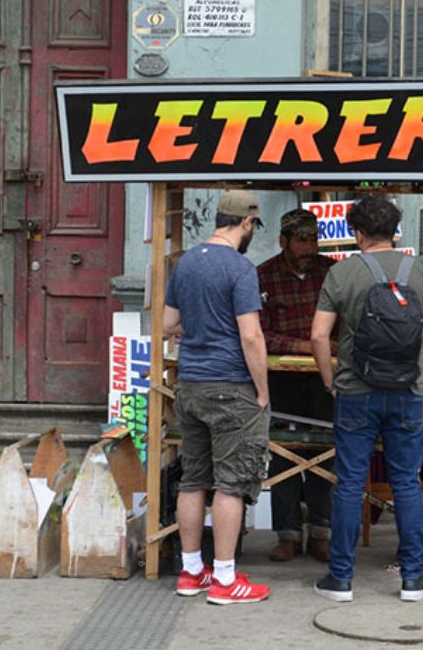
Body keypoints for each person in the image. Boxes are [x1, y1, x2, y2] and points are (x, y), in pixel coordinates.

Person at [309, 196, 423, 603]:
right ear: (395, 230)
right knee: (407, 482)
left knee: (350, 483)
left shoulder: (343, 272)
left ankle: (340, 580)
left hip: (356, 393)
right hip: (406, 393)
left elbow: (320, 335)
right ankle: (412, 580)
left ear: (357, 232)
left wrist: (329, 380)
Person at [163, 189, 271, 605]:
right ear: (246, 223)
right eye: (251, 227)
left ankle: (192, 572)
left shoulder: (186, 262)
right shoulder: (241, 269)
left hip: (191, 384)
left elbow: (169, 322)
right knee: (231, 484)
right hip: (231, 387)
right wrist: (262, 390)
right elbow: (251, 335)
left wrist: (200, 329)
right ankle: (226, 579)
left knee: (192, 479)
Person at [257, 209, 336, 563]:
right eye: (301, 240)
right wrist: (306, 346)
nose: (309, 248)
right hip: (282, 378)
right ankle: (287, 534)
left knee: (325, 451)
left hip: (326, 378)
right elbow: (260, 334)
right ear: (283, 240)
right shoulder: (264, 276)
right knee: (283, 453)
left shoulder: (331, 271)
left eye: (313, 240)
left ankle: (321, 532)